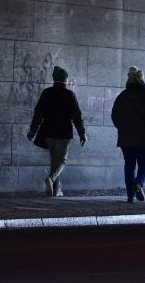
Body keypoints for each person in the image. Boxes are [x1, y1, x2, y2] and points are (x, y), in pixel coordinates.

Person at [27, 66, 87, 197]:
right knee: (62, 161)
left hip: (48, 132)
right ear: (65, 80)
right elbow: (77, 116)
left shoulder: (46, 93)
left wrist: (33, 131)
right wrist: (82, 133)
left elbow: (38, 114)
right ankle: (51, 179)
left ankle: (56, 191)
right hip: (64, 133)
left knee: (54, 160)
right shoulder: (70, 95)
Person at [111, 66, 145, 203]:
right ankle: (139, 183)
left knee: (129, 165)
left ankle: (130, 195)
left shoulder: (122, 96)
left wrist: (123, 128)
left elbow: (114, 116)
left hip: (126, 139)